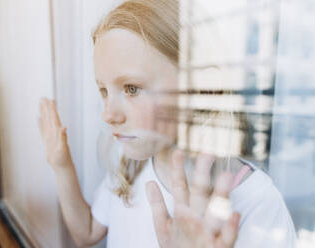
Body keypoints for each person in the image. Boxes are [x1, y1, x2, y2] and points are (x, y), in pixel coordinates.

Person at [38, 0, 296, 247]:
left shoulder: (257, 202)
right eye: (104, 90)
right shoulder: (128, 163)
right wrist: (61, 165)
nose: (108, 114)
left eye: (131, 88)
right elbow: (87, 232)